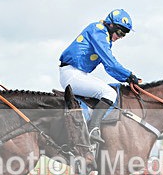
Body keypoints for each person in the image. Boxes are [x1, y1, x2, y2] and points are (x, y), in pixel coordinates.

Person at [58, 9, 141, 143]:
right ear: (111, 25)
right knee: (109, 93)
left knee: (110, 89)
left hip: (78, 74)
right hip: (72, 74)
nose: (120, 37)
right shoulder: (98, 30)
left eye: (124, 35)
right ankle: (93, 128)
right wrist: (129, 75)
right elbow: (110, 62)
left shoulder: (104, 38)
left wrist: (126, 79)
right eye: (120, 33)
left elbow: (109, 67)